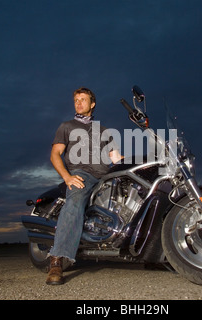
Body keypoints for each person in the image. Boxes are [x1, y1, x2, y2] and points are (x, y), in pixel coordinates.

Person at [46, 87, 122, 285]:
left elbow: (117, 159)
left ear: (92, 103)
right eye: (76, 100)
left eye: (83, 99)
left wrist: (146, 158)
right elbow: (55, 154)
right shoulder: (67, 126)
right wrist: (68, 177)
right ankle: (57, 259)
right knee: (76, 200)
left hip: (106, 175)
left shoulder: (104, 131)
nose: (79, 103)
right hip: (82, 174)